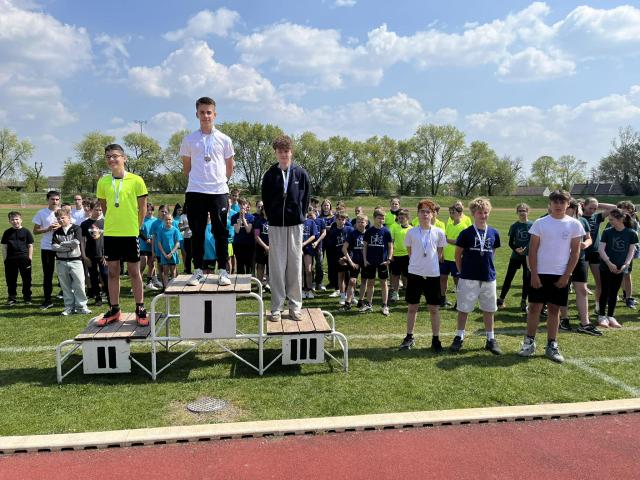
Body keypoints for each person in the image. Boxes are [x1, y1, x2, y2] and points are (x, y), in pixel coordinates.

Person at [518, 190, 584, 363]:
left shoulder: (574, 224)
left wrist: (566, 275)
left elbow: (575, 252)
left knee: (554, 310)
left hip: (560, 275)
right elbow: (532, 250)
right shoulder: (540, 223)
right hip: (539, 273)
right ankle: (529, 342)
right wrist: (534, 273)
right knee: (534, 308)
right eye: (555, 201)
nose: (558, 205)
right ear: (550, 204)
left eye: (562, 202)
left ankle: (551, 345)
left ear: (568, 204)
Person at [181, 96, 234, 287]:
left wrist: (218, 182)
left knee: (220, 232)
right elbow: (186, 168)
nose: (206, 116)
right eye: (202, 112)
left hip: (218, 191)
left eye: (209, 112)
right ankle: (198, 271)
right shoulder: (189, 140)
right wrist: (200, 180)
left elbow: (230, 167)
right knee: (197, 232)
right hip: (195, 191)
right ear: (197, 114)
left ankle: (223, 271)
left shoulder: (225, 139)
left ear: (215, 114)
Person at [96, 143, 148, 326]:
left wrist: (136, 227)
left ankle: (140, 307)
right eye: (108, 157)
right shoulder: (103, 182)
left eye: (115, 156)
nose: (112, 159)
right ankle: (114, 308)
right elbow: (104, 207)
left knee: (134, 271)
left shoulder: (136, 180)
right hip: (111, 233)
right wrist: (113, 222)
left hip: (130, 233)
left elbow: (143, 207)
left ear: (124, 158)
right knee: (112, 272)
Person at [261, 135, 311, 321]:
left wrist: (299, 216)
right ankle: (277, 307)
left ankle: (295, 306)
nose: (283, 154)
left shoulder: (300, 173)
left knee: (295, 266)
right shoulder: (270, 174)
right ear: (276, 153)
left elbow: (306, 199)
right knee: (277, 267)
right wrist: (272, 216)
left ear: (291, 152)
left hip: (295, 225)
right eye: (280, 151)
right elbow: (265, 199)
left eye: (286, 151)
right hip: (276, 226)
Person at [450, 198, 501, 355]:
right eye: (480, 213)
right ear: (473, 213)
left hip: (488, 277)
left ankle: (490, 339)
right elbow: (457, 255)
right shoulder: (466, 233)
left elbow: (492, 253)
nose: (483, 215)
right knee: (463, 309)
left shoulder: (494, 232)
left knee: (489, 309)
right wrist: (462, 272)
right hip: (468, 278)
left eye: (485, 212)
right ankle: (459, 336)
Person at [399, 199, 447, 352]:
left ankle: (436, 339)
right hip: (415, 274)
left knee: (434, 309)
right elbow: (410, 252)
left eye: (428, 212)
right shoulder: (411, 232)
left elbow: (439, 253)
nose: (425, 214)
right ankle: (409, 337)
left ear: (432, 214)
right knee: (412, 307)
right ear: (418, 214)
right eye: (422, 211)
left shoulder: (439, 232)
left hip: (432, 275)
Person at [559, 200, 601, 335]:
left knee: (582, 290)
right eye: (573, 207)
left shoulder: (582, 221)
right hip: (563, 260)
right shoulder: (560, 221)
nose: (575, 210)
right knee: (563, 289)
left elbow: (589, 238)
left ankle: (585, 323)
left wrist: (586, 244)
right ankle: (564, 319)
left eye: (576, 207)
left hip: (580, 259)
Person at [597, 208, 638, 328]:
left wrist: (626, 264)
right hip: (606, 267)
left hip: (621, 267)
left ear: (621, 219)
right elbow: (601, 249)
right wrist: (609, 263)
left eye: (612, 219)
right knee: (605, 291)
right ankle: (601, 316)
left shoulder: (631, 233)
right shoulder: (607, 232)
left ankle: (610, 316)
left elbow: (631, 251)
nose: (609, 222)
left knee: (614, 292)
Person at [51, 207, 91, 315]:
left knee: (79, 284)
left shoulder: (76, 228)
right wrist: (68, 247)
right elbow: (54, 246)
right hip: (61, 261)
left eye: (62, 217)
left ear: (69, 218)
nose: (60, 220)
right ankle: (69, 307)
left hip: (75, 261)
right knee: (65, 286)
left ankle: (82, 307)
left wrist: (62, 244)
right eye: (58, 218)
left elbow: (76, 242)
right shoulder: (56, 232)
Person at [582, 197, 616, 314]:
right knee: (582, 284)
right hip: (582, 253)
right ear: (584, 206)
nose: (592, 210)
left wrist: (597, 203)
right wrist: (582, 205)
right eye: (590, 208)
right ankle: (583, 308)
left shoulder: (597, 217)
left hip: (595, 253)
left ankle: (598, 306)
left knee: (600, 282)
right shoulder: (579, 218)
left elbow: (614, 208)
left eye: (594, 208)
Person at [497, 203, 532, 312]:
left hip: (528, 257)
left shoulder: (532, 225)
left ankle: (523, 300)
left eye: (524, 210)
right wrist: (516, 249)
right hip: (516, 256)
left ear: (527, 212)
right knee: (509, 277)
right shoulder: (514, 226)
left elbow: (534, 240)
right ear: (517, 212)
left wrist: (526, 249)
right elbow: (510, 242)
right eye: (520, 211)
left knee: (526, 278)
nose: (522, 213)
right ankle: (501, 299)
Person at [361, 209, 393, 316]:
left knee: (384, 283)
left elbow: (390, 246)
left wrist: (389, 259)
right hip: (370, 262)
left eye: (383, 218)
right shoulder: (369, 231)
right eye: (379, 218)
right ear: (374, 218)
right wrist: (365, 260)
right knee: (370, 282)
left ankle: (384, 305)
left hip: (382, 262)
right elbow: (365, 247)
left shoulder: (386, 231)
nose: (381, 220)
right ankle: (369, 304)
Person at [32, 190, 61, 309]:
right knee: (48, 274)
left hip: (62, 247)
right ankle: (48, 300)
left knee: (65, 273)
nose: (55, 201)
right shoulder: (41, 213)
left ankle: (68, 298)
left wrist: (61, 226)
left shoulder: (63, 212)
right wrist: (47, 229)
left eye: (57, 199)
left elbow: (72, 227)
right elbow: (35, 231)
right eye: (52, 199)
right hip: (47, 247)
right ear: (47, 200)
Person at [80, 201, 109, 306]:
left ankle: (110, 296)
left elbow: (108, 240)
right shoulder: (84, 224)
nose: (98, 212)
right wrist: (84, 256)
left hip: (102, 255)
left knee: (105, 275)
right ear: (91, 210)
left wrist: (106, 255)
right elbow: (82, 241)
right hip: (90, 255)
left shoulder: (105, 222)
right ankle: (98, 297)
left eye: (100, 210)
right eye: (96, 210)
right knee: (93, 276)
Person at [2, 211, 33, 305]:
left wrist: (29, 258)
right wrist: (5, 259)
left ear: (21, 220)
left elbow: (30, 245)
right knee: (11, 280)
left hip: (24, 259)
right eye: (12, 220)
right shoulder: (7, 232)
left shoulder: (26, 231)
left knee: (26, 279)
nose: (15, 221)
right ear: (9, 221)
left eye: (17, 219)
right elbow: (4, 247)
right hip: (10, 259)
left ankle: (27, 297)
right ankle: (12, 298)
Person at [440, 203, 466, 308]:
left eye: (453, 212)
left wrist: (447, 240)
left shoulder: (463, 227)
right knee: (442, 278)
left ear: (460, 213)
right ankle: (442, 299)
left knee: (457, 281)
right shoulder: (449, 225)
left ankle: (459, 301)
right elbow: (444, 240)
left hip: (456, 258)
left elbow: (459, 242)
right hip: (446, 257)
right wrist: (441, 253)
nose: (451, 214)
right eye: (450, 212)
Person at [616, 200, 638, 308]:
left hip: (628, 252)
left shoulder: (633, 223)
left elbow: (634, 239)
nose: (624, 212)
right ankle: (622, 294)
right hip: (615, 251)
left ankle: (629, 297)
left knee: (627, 274)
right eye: (622, 210)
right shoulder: (613, 221)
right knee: (618, 274)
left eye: (627, 210)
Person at [343, 214, 368, 309]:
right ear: (356, 223)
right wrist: (351, 262)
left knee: (364, 280)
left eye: (362, 222)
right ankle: (348, 303)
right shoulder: (352, 234)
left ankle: (361, 301)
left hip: (365, 261)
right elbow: (344, 249)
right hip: (355, 261)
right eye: (358, 222)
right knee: (352, 281)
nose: (360, 224)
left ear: (366, 223)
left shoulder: (368, 234)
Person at [388, 208, 412, 302]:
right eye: (399, 218)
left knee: (407, 275)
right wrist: (391, 254)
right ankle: (395, 293)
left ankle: (409, 293)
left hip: (407, 256)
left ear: (407, 218)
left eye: (402, 218)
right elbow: (391, 242)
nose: (400, 219)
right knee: (395, 275)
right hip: (396, 256)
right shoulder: (394, 227)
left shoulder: (411, 229)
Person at [328, 211, 352, 304]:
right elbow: (331, 248)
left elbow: (353, 245)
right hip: (338, 258)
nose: (341, 221)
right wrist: (339, 259)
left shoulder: (350, 230)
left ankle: (351, 296)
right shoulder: (333, 232)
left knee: (350, 278)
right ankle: (342, 296)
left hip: (349, 257)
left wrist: (347, 257)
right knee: (340, 276)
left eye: (343, 219)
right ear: (335, 220)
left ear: (346, 220)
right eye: (339, 219)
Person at [230, 198, 255, 274]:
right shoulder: (234, 217)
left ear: (247, 205)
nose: (242, 206)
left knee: (249, 264)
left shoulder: (251, 217)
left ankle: (249, 279)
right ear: (238, 205)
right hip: (238, 244)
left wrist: (243, 218)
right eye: (240, 204)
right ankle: (240, 279)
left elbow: (248, 230)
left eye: (244, 204)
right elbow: (237, 230)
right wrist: (240, 218)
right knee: (240, 264)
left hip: (249, 244)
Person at [157, 213, 181, 288]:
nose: (168, 221)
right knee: (165, 272)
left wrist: (171, 253)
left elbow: (177, 243)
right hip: (164, 254)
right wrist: (164, 254)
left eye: (169, 219)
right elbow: (159, 243)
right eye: (166, 219)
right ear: (164, 220)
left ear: (172, 220)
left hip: (172, 254)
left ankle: (172, 288)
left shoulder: (175, 230)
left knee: (173, 272)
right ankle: (166, 288)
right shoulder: (161, 230)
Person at [139, 203, 159, 290]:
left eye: (151, 210)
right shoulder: (142, 219)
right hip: (143, 246)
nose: (150, 212)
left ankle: (149, 283)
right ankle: (138, 283)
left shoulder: (156, 220)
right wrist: (146, 239)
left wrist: (153, 241)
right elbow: (138, 231)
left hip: (152, 246)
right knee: (143, 264)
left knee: (151, 264)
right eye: (148, 210)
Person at [302, 208, 319, 298]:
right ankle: (301, 290)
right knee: (299, 271)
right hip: (297, 248)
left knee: (308, 270)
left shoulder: (311, 222)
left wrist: (304, 243)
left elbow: (313, 235)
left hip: (308, 248)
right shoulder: (297, 222)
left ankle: (309, 289)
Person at [253, 203, 270, 289]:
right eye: (265, 209)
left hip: (272, 249)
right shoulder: (258, 221)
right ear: (262, 211)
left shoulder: (273, 221)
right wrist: (265, 247)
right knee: (260, 266)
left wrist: (270, 247)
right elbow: (256, 236)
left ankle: (268, 285)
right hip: (261, 248)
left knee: (271, 267)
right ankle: (259, 285)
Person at [179, 204, 193, 274]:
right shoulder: (182, 216)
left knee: (196, 254)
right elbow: (180, 229)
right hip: (187, 237)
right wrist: (187, 227)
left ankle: (198, 270)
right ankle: (188, 271)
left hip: (195, 237)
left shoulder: (195, 214)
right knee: (188, 255)